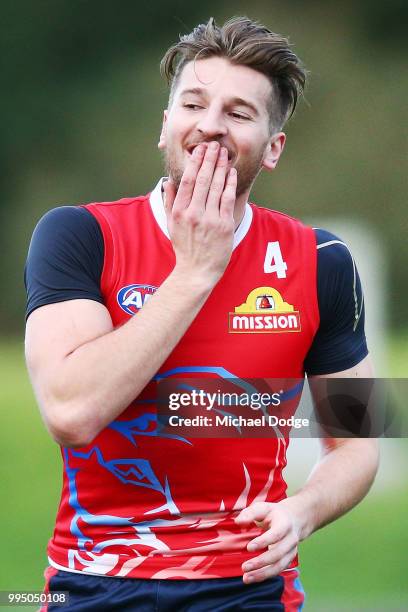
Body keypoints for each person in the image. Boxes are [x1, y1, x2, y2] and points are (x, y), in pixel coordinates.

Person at [25, 16, 379, 611]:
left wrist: (305, 511)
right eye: (193, 104)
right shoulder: (80, 235)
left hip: (250, 588)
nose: (210, 125)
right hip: (92, 585)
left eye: (239, 113)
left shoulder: (320, 262)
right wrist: (195, 271)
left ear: (273, 148)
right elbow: (71, 409)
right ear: (165, 126)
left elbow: (360, 439)